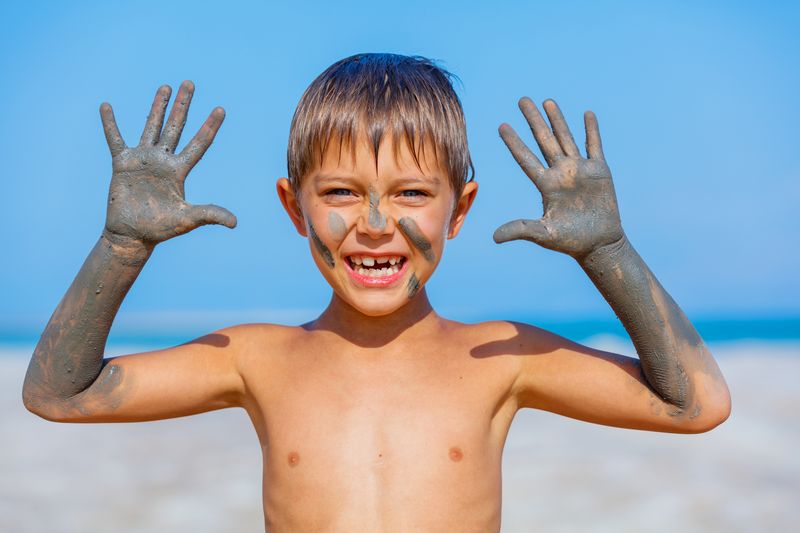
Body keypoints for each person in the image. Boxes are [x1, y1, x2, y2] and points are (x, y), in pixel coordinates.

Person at [22, 53, 730, 531]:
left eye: (412, 194)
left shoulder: (501, 359)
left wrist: (609, 253)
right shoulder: (256, 358)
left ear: (460, 208)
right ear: (294, 206)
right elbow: (60, 393)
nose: (373, 225)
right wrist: (121, 247)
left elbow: (696, 404)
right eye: (340, 193)